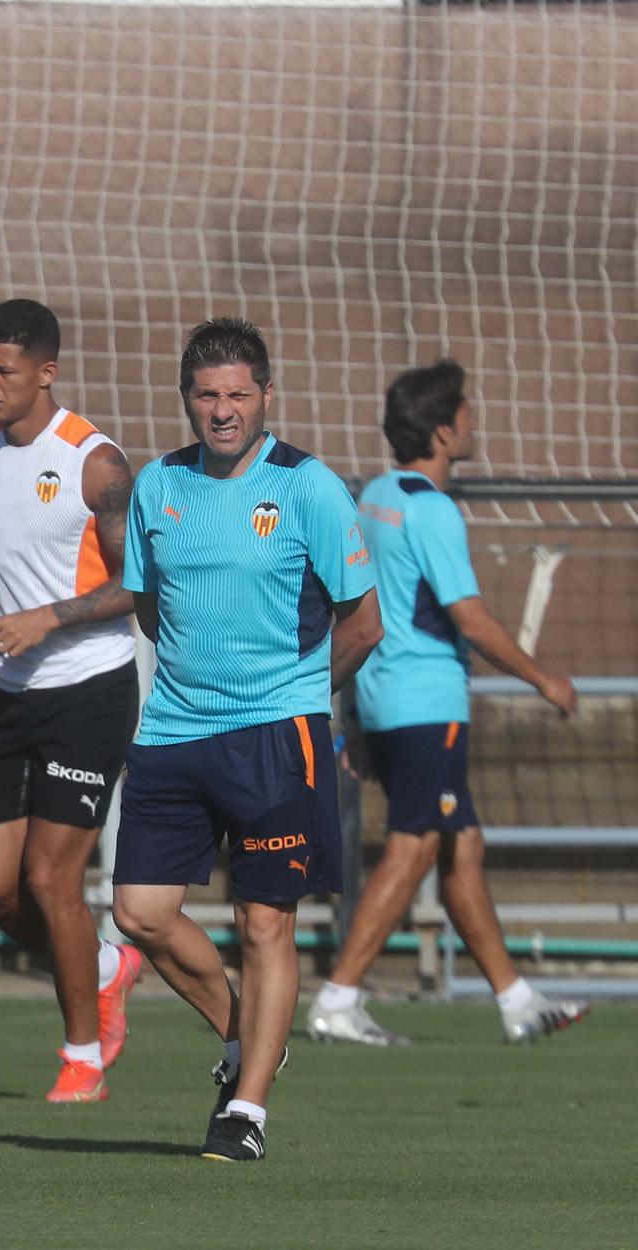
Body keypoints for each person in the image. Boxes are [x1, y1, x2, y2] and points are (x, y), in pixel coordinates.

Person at [112, 317, 382, 1162]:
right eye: (206, 395)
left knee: (265, 922)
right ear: (185, 399)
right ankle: (249, 1035)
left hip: (276, 735)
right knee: (140, 914)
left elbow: (363, 623)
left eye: (237, 394)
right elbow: (150, 606)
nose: (222, 411)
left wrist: (298, 696)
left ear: (267, 394)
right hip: (172, 732)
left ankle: (247, 1111)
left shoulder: (309, 487)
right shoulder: (157, 486)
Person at [308, 360, 588, 1046]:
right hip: (426, 702)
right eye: (465, 413)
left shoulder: (375, 495)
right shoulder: (432, 509)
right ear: (442, 430)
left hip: (382, 697)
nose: (473, 423)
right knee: (414, 846)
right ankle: (339, 998)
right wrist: (541, 678)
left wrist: (354, 718)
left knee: (463, 845)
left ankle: (517, 1000)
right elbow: (471, 619)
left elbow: (360, 607)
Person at [0, 299, 144, 1103]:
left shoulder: (97, 463)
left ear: (46, 373)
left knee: (51, 879)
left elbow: (137, 588)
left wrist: (47, 617)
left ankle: (83, 1059)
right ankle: (103, 965)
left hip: (90, 688)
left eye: (5, 371)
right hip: (11, 694)